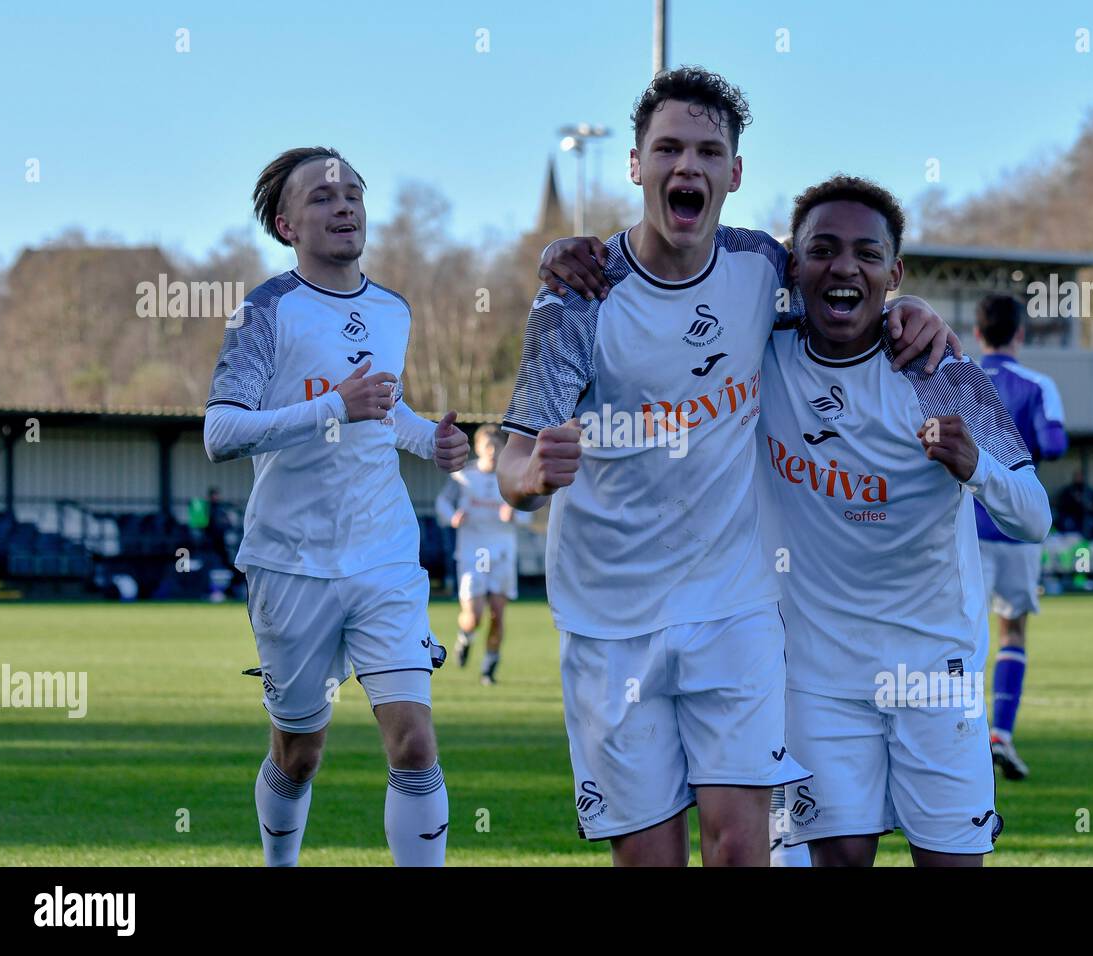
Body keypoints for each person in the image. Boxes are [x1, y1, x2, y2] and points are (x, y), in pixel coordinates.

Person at [507, 67, 957, 867]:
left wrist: (908, 307)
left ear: (734, 174)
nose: (690, 167)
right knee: (650, 860)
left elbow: (843, 281)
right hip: (611, 618)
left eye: (709, 151)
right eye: (669, 148)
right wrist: (533, 473)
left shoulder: (759, 267)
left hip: (734, 605)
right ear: (635, 165)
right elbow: (513, 460)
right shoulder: (577, 298)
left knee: (742, 848)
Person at [758, 176, 1050, 866]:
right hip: (817, 678)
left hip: (933, 672)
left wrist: (976, 466)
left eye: (867, 253)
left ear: (895, 272)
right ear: (793, 265)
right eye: (823, 249)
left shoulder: (940, 371)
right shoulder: (760, 351)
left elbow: (1034, 515)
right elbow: (689, 273)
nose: (844, 267)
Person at [204, 146, 469, 866]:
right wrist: (331, 406)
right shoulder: (265, 311)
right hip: (290, 563)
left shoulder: (393, 310)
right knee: (299, 753)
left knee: (413, 741)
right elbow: (220, 431)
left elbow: (386, 413)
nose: (344, 204)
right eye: (323, 198)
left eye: (353, 192)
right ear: (287, 224)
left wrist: (433, 442)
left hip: (384, 554)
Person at [973, 294, 1068, 779]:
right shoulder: (1037, 384)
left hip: (961, 527)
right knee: (1012, 629)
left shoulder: (954, 376)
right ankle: (1001, 735)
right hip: (1014, 527)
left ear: (976, 332)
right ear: (1020, 334)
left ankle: (957, 739)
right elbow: (1054, 443)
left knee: (959, 634)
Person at [436, 425, 530, 685]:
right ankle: (465, 637)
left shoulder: (510, 477)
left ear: (502, 449)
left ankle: (489, 667)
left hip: (502, 551)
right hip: (471, 552)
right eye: (486, 446)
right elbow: (443, 503)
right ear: (477, 449)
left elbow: (527, 509)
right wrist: (451, 517)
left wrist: (516, 516)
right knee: (474, 615)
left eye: (496, 446)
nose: (491, 451)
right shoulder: (464, 477)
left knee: (497, 614)